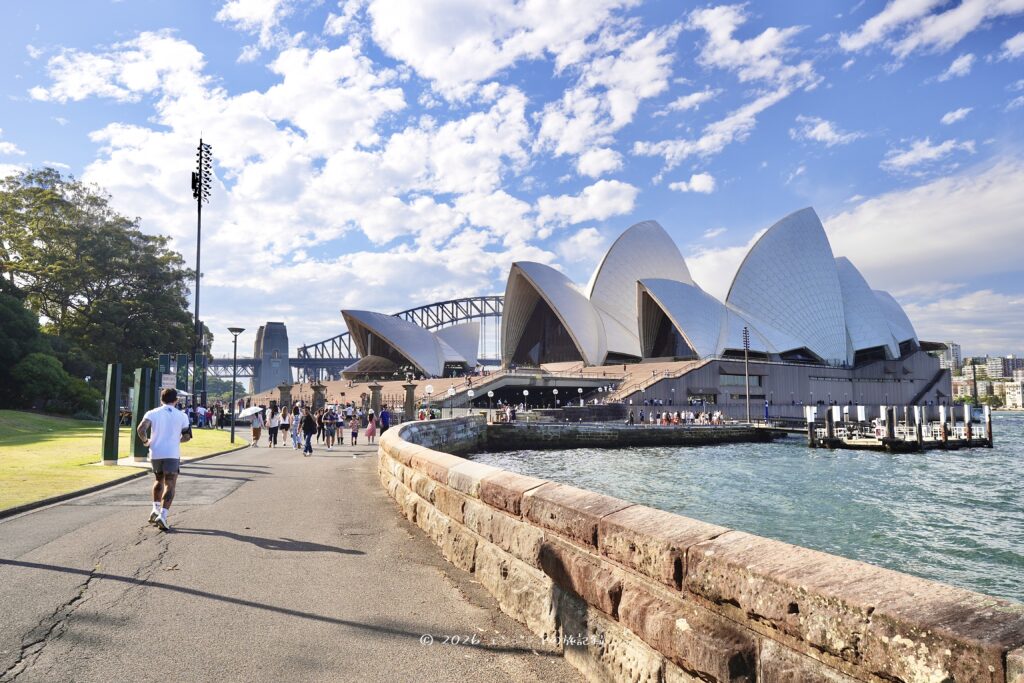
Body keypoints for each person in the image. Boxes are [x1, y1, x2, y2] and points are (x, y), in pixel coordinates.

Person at [136, 388, 192, 532]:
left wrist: (146, 442)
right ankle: (163, 515)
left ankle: (155, 509)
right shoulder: (182, 416)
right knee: (170, 483)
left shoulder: (152, 413)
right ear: (176, 400)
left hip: (156, 452)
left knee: (158, 479)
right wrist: (177, 440)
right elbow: (187, 436)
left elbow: (141, 429)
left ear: (161, 399)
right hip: (172, 452)